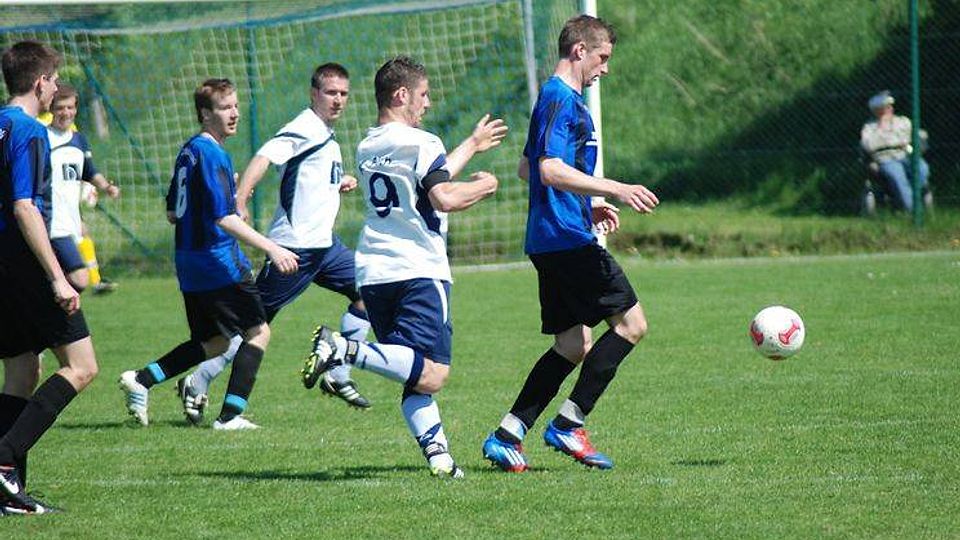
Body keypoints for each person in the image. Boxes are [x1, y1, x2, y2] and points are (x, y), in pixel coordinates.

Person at [300, 55, 506, 477]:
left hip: (374, 272)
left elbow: (426, 176)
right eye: (423, 95)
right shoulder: (423, 142)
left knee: (413, 373)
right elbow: (443, 196)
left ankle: (441, 460)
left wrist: (471, 143)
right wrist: (485, 187)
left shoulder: (368, 144)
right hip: (419, 269)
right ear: (401, 94)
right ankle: (342, 348)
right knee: (432, 375)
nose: (427, 104)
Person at [481, 15, 659, 473]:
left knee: (573, 343)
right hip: (566, 239)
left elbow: (528, 167)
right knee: (632, 324)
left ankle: (508, 434)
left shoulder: (554, 97)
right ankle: (568, 422)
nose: (606, 68)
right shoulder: (562, 98)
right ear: (579, 50)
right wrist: (611, 190)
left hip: (551, 236)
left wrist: (586, 205)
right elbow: (547, 169)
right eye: (602, 57)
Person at [177, 63, 374, 423]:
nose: (338, 100)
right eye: (331, 93)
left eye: (343, 93)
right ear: (314, 94)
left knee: (368, 294)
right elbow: (265, 156)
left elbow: (307, 180)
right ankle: (198, 380)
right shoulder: (304, 126)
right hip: (293, 248)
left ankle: (337, 373)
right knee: (252, 328)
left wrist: (338, 182)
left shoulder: (325, 134)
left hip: (325, 248)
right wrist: (239, 198)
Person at [118, 78, 299, 430]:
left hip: (188, 262)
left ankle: (141, 379)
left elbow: (173, 212)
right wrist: (272, 247)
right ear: (205, 114)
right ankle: (230, 416)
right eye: (224, 107)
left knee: (214, 342)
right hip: (218, 261)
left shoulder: (188, 151)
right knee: (258, 332)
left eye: (235, 105)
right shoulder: (213, 153)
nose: (234, 114)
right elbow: (224, 218)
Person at [0, 40, 100, 515]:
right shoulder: (29, 131)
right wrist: (58, 276)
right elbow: (25, 205)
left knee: (22, 368)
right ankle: (2, 462)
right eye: (54, 79)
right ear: (40, 83)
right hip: (23, 261)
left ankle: (7, 492)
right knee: (82, 366)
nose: (57, 87)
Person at [46, 82, 121, 295]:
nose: (66, 112)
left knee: (68, 281)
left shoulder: (79, 140)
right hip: (53, 222)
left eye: (70, 107)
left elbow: (89, 171)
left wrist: (106, 186)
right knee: (79, 278)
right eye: (60, 107)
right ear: (51, 109)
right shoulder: (43, 138)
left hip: (71, 220)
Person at [860, 90, 931, 212]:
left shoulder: (902, 122)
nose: (889, 109)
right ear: (877, 110)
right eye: (885, 107)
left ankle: (913, 198)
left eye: (890, 106)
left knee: (922, 167)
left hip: (904, 155)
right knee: (897, 175)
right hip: (885, 159)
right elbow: (869, 146)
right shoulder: (870, 128)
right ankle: (913, 210)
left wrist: (889, 140)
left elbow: (916, 136)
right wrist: (882, 127)